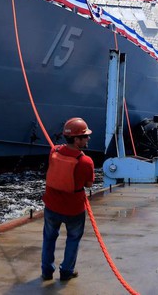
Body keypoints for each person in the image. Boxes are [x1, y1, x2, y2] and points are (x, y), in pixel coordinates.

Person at [41, 117, 95, 282]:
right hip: (74, 209)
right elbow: (89, 184)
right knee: (73, 239)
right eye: (85, 136)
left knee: (49, 238)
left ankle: (46, 272)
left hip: (51, 206)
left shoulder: (54, 152)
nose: (88, 138)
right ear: (77, 139)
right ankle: (66, 272)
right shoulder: (86, 161)